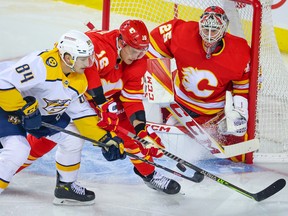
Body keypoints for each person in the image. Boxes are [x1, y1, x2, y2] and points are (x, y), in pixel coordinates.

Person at [17, 20, 181, 195]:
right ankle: (8, 168)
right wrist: (102, 104)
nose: (137, 57)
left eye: (142, 52)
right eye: (134, 51)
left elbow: (132, 100)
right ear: (121, 42)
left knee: (134, 137)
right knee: (47, 140)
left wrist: (141, 130)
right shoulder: (100, 45)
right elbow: (87, 69)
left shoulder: (137, 61)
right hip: (77, 99)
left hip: (108, 101)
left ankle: (149, 174)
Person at [0, 30, 125, 205]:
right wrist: (23, 109)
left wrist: (105, 139)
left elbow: (81, 113)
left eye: (90, 58)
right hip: (7, 109)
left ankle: (66, 187)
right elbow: (3, 82)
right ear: (67, 57)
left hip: (40, 115)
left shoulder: (78, 80)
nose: (89, 64)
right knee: (18, 149)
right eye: (83, 59)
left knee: (72, 139)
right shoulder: (41, 64)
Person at [147, 6, 250, 162]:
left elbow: (243, 85)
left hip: (210, 114)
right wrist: (161, 91)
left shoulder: (239, 51)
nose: (208, 36)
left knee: (234, 151)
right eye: (205, 29)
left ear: (223, 31)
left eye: (214, 31)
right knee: (167, 145)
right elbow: (153, 47)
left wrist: (240, 112)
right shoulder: (181, 33)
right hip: (177, 103)